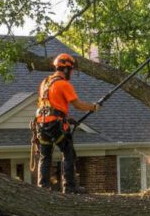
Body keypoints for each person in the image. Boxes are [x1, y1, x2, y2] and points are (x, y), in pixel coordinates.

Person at [33, 53, 100, 193]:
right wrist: (93, 107)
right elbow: (78, 105)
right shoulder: (64, 84)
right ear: (66, 69)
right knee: (68, 152)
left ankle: (43, 187)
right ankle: (69, 187)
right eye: (71, 70)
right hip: (55, 125)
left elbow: (51, 105)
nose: (72, 73)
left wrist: (66, 118)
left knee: (45, 155)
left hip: (41, 124)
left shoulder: (45, 82)